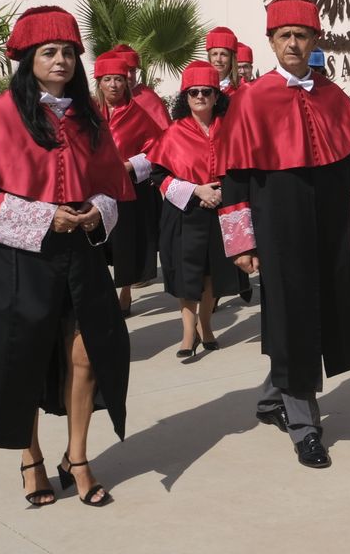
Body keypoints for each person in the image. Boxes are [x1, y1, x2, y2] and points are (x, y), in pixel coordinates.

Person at [0, 6, 133, 508]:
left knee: (86, 353)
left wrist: (97, 211)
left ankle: (79, 457)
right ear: (27, 60)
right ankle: (31, 459)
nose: (61, 61)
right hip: (16, 260)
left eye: (69, 52)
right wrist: (45, 218)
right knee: (22, 358)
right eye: (49, 52)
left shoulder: (90, 119)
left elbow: (113, 185)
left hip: (79, 257)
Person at [219, 0, 350, 469]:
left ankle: (274, 397)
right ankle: (305, 426)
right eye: (284, 36)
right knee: (292, 314)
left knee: (322, 311)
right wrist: (242, 241)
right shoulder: (251, 100)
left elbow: (349, 163)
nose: (293, 43)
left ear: (315, 41)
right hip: (278, 225)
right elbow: (234, 176)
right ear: (271, 42)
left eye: (302, 35)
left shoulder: (331, 96)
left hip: (329, 226)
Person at [149, 63, 251, 360]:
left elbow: (241, 166)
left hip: (221, 209)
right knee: (186, 274)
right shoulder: (173, 133)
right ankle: (187, 332)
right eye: (193, 92)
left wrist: (220, 193)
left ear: (216, 96)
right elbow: (159, 175)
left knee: (212, 275)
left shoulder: (231, 128)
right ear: (186, 96)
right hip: (185, 213)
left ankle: (206, 325)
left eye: (207, 91)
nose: (200, 97)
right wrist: (197, 191)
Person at [92, 53, 162, 316]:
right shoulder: (88, 112)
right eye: (108, 79)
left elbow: (155, 149)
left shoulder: (138, 114)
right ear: (99, 82)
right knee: (98, 244)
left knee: (125, 245)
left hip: (128, 189)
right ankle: (102, 291)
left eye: (119, 80)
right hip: (95, 189)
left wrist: (130, 165)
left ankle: (126, 292)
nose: (113, 85)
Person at [107, 43, 171, 130]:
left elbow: (165, 134)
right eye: (125, 70)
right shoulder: (107, 98)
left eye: (132, 70)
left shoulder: (148, 98)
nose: (129, 75)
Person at [205, 26, 240, 93]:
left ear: (231, 59)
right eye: (214, 54)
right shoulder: (200, 88)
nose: (218, 59)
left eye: (223, 54)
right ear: (209, 58)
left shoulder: (242, 87)